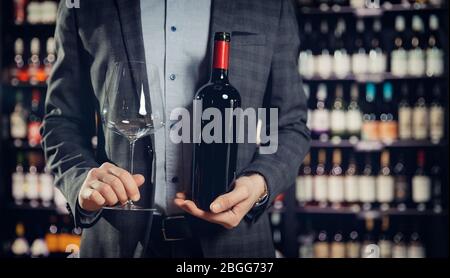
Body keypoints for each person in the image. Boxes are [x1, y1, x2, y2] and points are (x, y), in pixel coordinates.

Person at [41, 0, 310, 258]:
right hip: (116, 243)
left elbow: (291, 126)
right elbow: (61, 120)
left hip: (234, 246)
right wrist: (81, 180)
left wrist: (259, 183)